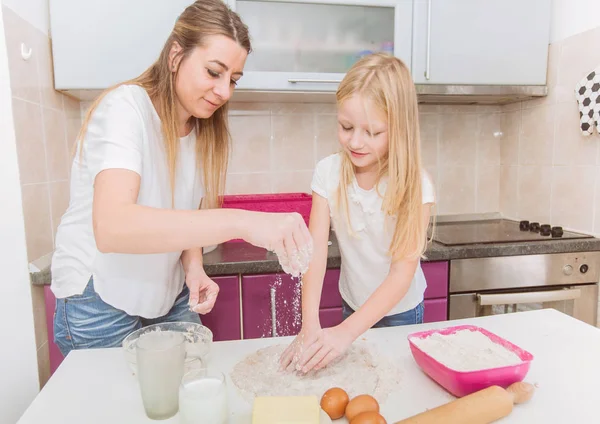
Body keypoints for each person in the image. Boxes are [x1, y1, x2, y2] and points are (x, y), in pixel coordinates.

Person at [51, 0, 311, 356]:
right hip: (98, 298)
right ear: (175, 57)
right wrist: (243, 222)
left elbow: (186, 213)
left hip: (166, 293)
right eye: (214, 72)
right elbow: (112, 227)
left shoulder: (202, 130)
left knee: (192, 394)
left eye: (233, 79)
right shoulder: (125, 109)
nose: (224, 91)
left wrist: (194, 268)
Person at [280, 53, 435, 374]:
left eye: (373, 132)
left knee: (396, 387)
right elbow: (314, 253)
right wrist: (310, 325)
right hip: (352, 304)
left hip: (401, 311)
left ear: (399, 128)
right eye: (346, 126)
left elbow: (401, 275)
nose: (355, 141)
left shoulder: (415, 184)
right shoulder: (328, 173)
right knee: (360, 380)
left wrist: (346, 332)